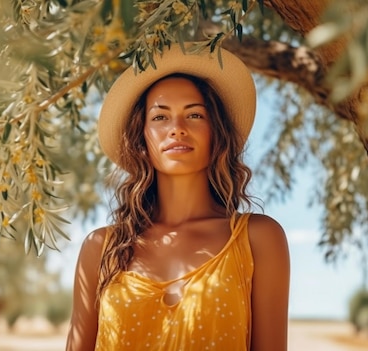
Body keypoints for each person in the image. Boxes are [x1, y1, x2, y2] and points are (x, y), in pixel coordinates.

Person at [66, 43, 290, 351]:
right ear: (141, 139)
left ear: (216, 134)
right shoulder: (101, 249)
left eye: (195, 114)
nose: (177, 129)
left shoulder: (258, 239)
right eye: (160, 118)